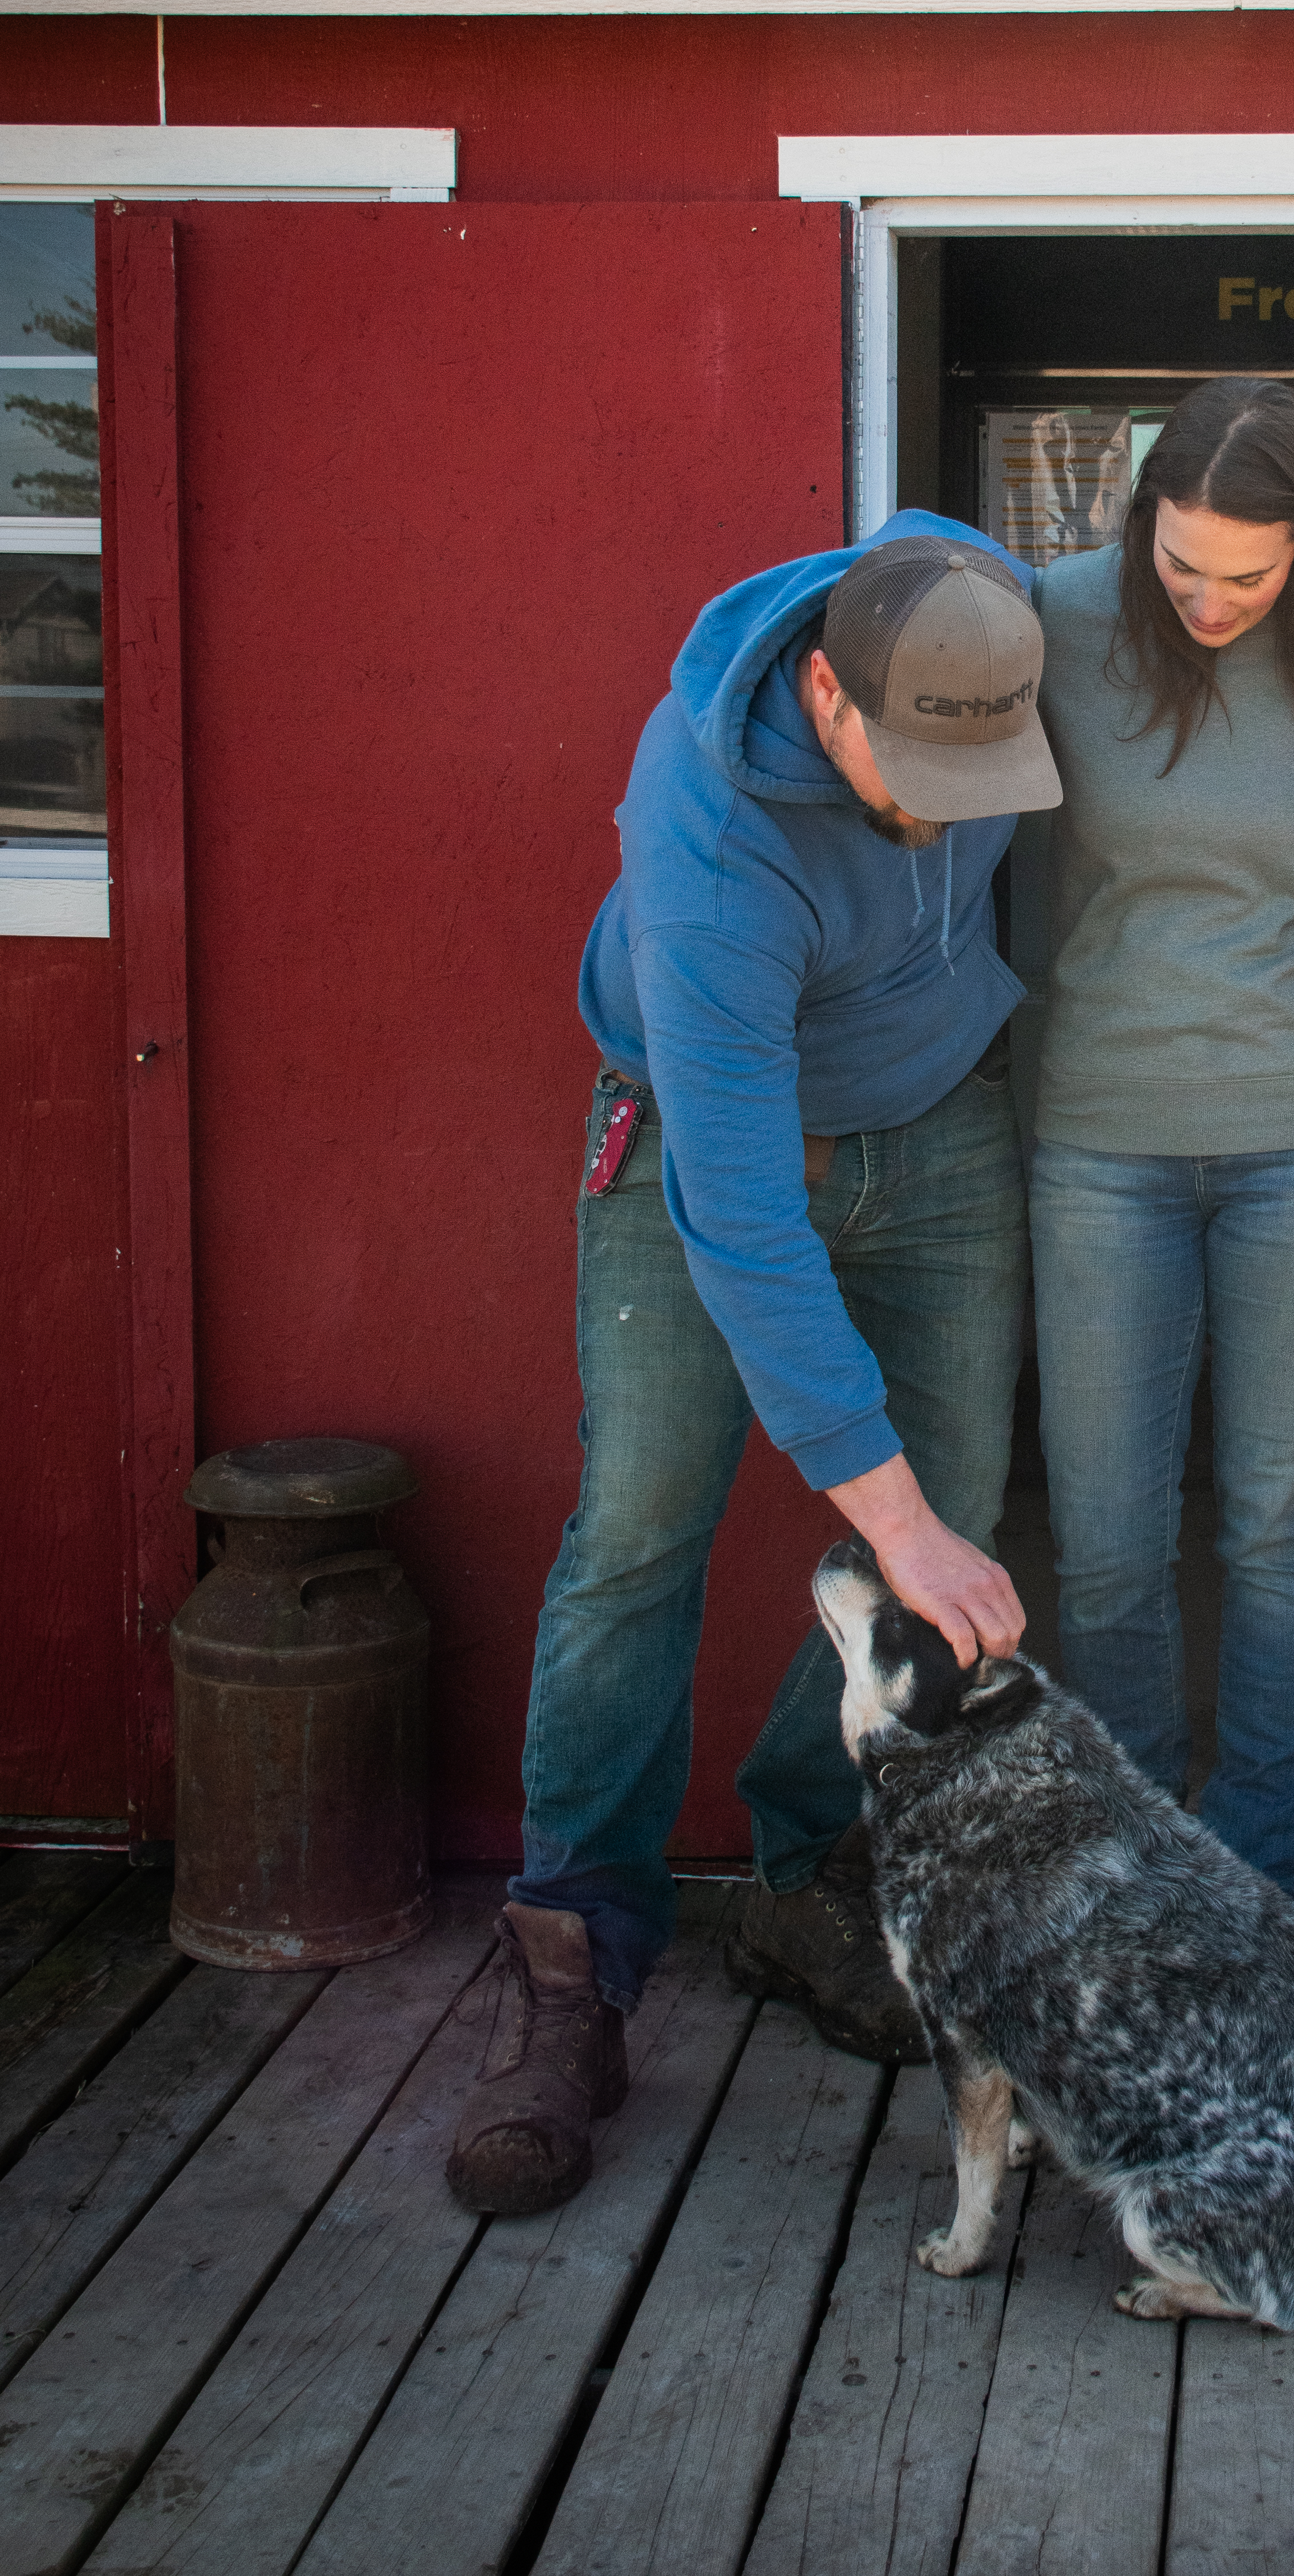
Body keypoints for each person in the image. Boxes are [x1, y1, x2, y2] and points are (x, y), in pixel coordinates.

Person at [447, 516, 1061, 2218]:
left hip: (938, 1116)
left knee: (931, 1493)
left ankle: (804, 1869)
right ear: (822, 690)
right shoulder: (710, 840)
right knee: (641, 1523)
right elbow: (739, 1220)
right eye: (917, 766)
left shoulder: (978, 606)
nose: (952, 803)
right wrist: (902, 1523)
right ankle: (575, 1952)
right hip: (715, 1147)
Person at [1027, 377, 1294, 1895]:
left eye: (1243, 574)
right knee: (1108, 1529)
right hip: (1099, 1135)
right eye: (1179, 562)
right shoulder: (1054, 615)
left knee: (1273, 1515)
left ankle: (1253, 1872)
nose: (1205, 597)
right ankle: (1137, 1867)